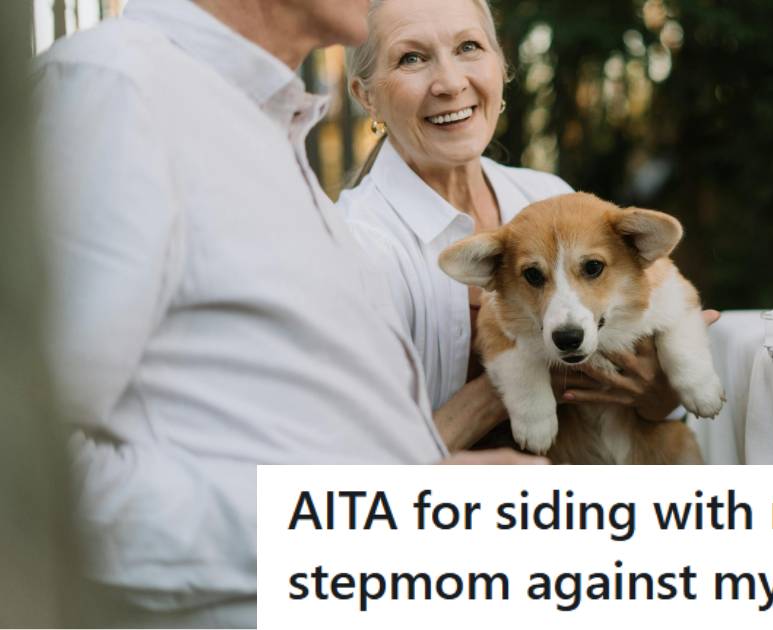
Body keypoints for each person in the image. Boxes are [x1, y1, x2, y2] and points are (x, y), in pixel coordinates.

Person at [33, 0, 541, 626]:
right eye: (413, 57)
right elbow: (32, 470)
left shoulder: (259, 131)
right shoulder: (118, 90)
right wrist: (364, 522)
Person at [338, 0, 707, 452]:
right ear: (365, 95)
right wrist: (506, 388)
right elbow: (350, 469)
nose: (452, 83)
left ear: (500, 65)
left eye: (469, 47)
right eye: (411, 58)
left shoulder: (548, 195)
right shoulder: (351, 246)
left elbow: (651, 398)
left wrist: (657, 395)